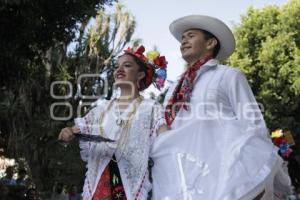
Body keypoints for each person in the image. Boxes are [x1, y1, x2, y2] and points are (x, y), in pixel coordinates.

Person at [150, 15, 292, 200]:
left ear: (210, 43)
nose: (184, 41)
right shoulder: (173, 89)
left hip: (221, 176)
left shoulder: (229, 76)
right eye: (183, 38)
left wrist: (247, 173)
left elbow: (253, 124)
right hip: (180, 177)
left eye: (191, 36)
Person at [58, 45, 168, 200]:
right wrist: (67, 133)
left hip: (128, 187)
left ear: (141, 74)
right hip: (98, 185)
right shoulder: (100, 110)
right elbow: (74, 131)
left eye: (127, 65)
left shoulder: (151, 108)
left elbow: (166, 141)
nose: (119, 69)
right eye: (117, 66)